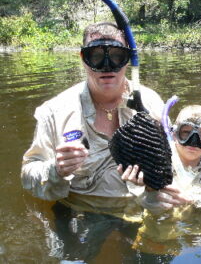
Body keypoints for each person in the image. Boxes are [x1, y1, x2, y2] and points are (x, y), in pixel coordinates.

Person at [21, 22, 165, 262]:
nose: (106, 66)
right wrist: (55, 169)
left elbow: (176, 164)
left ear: (128, 59)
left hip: (140, 209)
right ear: (83, 58)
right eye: (96, 56)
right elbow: (28, 174)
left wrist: (156, 182)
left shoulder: (151, 103)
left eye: (117, 56)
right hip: (81, 212)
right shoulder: (55, 111)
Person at [121, 105, 201, 254]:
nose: (193, 141)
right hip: (156, 243)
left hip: (198, 244)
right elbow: (144, 203)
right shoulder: (155, 165)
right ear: (174, 134)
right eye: (186, 133)